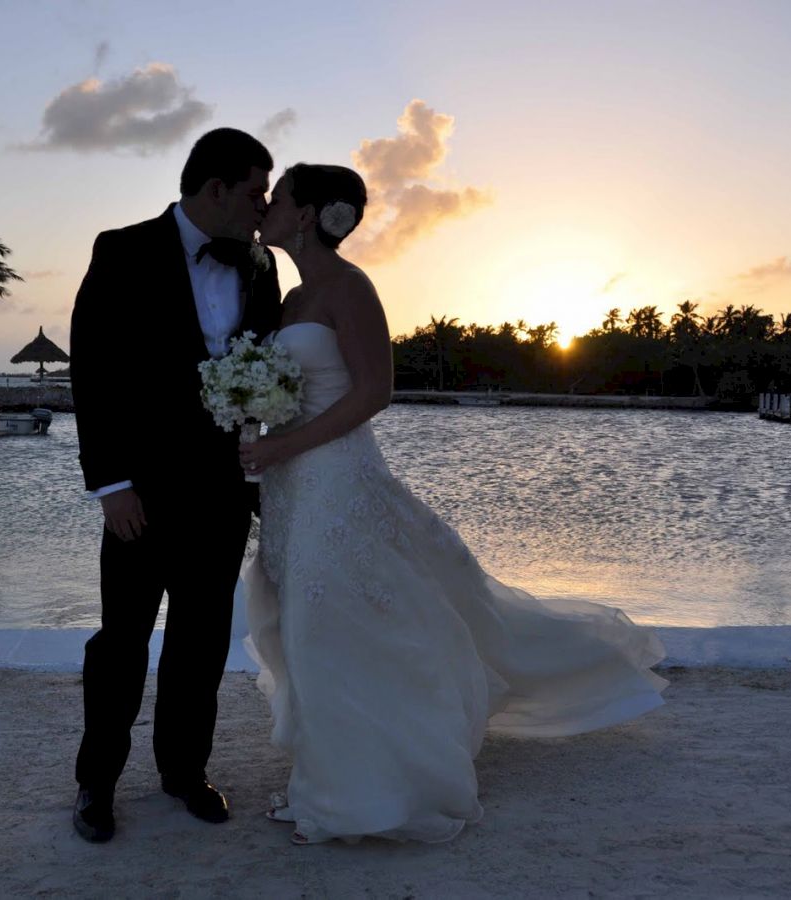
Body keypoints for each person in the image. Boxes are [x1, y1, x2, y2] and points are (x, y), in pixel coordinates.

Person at [239, 164, 666, 845]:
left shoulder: (351, 288)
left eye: (279, 197)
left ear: (309, 213)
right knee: (303, 622)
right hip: (289, 485)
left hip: (336, 478)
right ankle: (327, 771)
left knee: (329, 622)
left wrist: (285, 449)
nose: (266, 206)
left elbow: (373, 392)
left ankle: (360, 791)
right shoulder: (290, 298)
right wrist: (258, 429)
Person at [69, 128, 282, 843]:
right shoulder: (120, 250)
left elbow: (267, 377)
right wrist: (111, 485)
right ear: (215, 188)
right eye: (256, 191)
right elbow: (93, 377)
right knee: (121, 643)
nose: (266, 206)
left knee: (201, 642)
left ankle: (185, 772)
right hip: (140, 497)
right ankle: (96, 782)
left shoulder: (262, 267)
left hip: (223, 497)